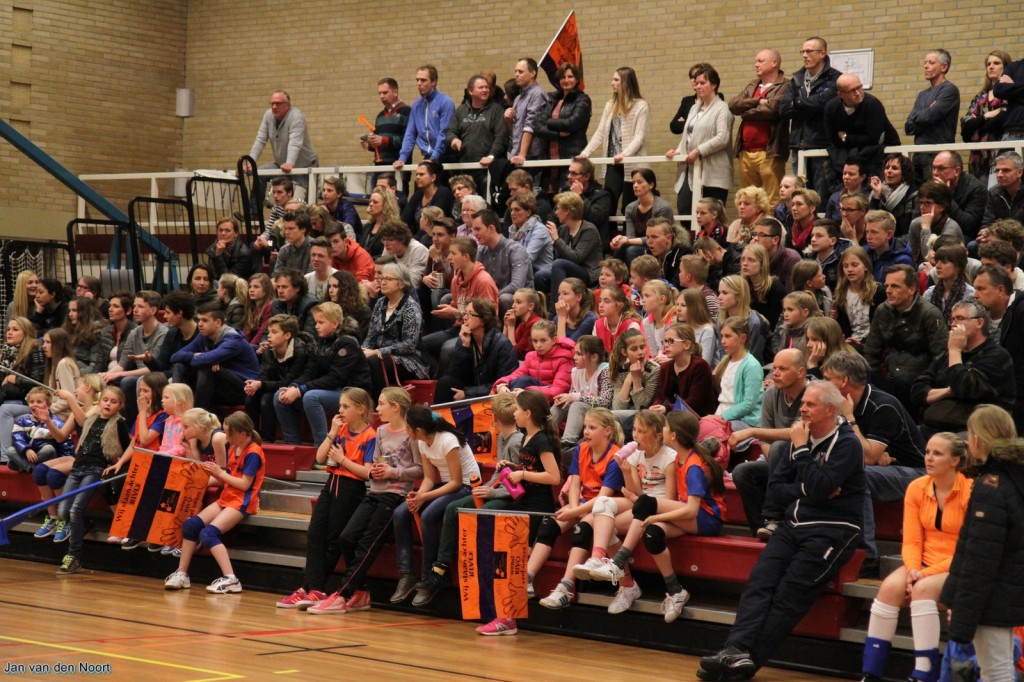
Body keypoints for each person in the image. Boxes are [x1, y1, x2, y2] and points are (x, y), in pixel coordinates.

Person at [697, 380, 864, 681]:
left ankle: (745, 663)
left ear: (829, 409)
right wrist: (809, 487)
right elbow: (776, 491)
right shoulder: (794, 440)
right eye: (802, 404)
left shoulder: (847, 443)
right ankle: (734, 650)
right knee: (759, 584)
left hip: (834, 531)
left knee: (788, 596)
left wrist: (802, 454)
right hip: (792, 525)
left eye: (810, 404)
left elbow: (822, 485)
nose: (802, 409)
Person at [415, 390, 560, 627]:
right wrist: (511, 467)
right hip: (523, 505)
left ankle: (510, 610)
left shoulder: (541, 439)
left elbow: (554, 477)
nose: (514, 414)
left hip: (536, 508)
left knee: (504, 557)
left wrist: (520, 473)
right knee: (500, 556)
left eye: (517, 410)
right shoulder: (526, 437)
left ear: (527, 413)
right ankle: (506, 615)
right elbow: (529, 470)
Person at [588, 410, 726, 623]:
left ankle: (619, 560)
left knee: (645, 504)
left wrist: (655, 515)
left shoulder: (692, 464)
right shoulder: (683, 457)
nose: (662, 430)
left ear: (673, 436)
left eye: (665, 428)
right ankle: (675, 591)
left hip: (705, 519)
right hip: (689, 516)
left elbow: (691, 510)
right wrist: (653, 517)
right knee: (651, 534)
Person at [859, 432, 971, 682]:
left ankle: (924, 672)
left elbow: (967, 549)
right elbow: (911, 540)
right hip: (922, 563)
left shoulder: (971, 492)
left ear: (954, 461)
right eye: (928, 452)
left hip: (959, 563)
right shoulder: (916, 488)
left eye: (937, 454)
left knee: (921, 590)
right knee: (888, 588)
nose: (929, 458)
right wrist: (911, 570)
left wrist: (923, 574)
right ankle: (871, 671)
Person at [299, 388, 422, 614]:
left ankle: (343, 594)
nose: (378, 409)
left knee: (366, 544)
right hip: (374, 491)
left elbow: (419, 469)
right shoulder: (382, 431)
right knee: (346, 538)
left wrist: (392, 473)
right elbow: (375, 463)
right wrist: (377, 469)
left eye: (382, 404)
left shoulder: (410, 434)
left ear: (396, 407)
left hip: (394, 494)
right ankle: (360, 590)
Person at [942, 405, 1024, 682]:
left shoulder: (992, 487)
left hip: (991, 597)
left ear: (978, 438)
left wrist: (962, 609)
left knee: (996, 672)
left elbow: (979, 559)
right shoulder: (1012, 479)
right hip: (1004, 592)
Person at [278, 387, 375, 611]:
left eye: (345, 406)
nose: (339, 410)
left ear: (360, 410)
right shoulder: (340, 431)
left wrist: (342, 459)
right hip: (331, 484)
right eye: (339, 405)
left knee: (333, 540)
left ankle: (317, 588)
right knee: (314, 534)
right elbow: (321, 457)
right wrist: (331, 432)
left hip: (351, 488)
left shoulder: (370, 436)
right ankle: (308, 587)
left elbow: (366, 472)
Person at [530, 407, 624, 610]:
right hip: (583, 505)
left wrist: (575, 513)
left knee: (582, 531)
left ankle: (565, 588)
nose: (586, 432)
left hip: (604, 509)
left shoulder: (615, 457)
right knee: (549, 525)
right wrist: (573, 508)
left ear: (607, 431)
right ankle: (526, 579)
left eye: (592, 427)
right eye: (584, 427)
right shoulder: (582, 449)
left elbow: (604, 497)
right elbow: (575, 483)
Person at [164, 412, 266, 593]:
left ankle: (231, 579)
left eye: (229, 434)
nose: (226, 438)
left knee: (208, 534)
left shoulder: (254, 453)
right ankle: (182, 574)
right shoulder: (234, 447)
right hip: (227, 497)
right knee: (190, 526)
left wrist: (219, 473)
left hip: (242, 502)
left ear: (242, 434)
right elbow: (227, 478)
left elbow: (244, 485)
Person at [389, 405, 480, 604]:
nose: (406, 430)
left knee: (428, 515)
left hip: (466, 486)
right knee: (400, 513)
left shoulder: (448, 440)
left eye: (408, 427)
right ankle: (406, 575)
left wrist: (425, 498)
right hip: (448, 485)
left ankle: (429, 577)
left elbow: (457, 481)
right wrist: (418, 496)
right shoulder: (422, 442)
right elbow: (429, 478)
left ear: (418, 430)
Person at [53, 386, 130, 576]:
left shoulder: (119, 423)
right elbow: (81, 420)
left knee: (75, 509)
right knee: (63, 511)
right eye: (105, 400)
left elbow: (129, 447)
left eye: (113, 402)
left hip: (96, 469)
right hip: (78, 467)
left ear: (120, 406)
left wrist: (118, 463)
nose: (108, 404)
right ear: (99, 402)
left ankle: (73, 555)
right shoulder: (92, 419)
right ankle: (84, 524)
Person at [911, 300, 1015, 437]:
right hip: (934, 427)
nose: (953, 324)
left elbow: (963, 388)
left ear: (979, 323)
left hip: (974, 430)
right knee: (897, 438)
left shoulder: (996, 356)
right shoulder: (948, 354)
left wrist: (955, 350)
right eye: (952, 319)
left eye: (960, 318)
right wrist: (948, 391)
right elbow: (917, 391)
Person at [275, 302, 370, 445]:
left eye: (321, 322)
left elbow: (335, 378)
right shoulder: (320, 342)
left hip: (352, 392)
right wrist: (294, 386)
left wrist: (300, 390)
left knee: (311, 397)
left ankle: (322, 447)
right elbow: (310, 372)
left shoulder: (347, 342)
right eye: (315, 322)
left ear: (335, 324)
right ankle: (292, 445)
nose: (316, 326)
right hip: (331, 389)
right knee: (279, 396)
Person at [863, 264, 949, 408]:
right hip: (890, 369)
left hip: (919, 377)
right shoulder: (883, 310)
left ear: (912, 289)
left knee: (902, 379)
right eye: (887, 285)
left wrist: (925, 383)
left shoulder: (929, 314)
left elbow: (941, 356)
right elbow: (872, 349)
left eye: (895, 286)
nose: (888, 291)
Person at [579, 66, 650, 214]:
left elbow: (639, 136)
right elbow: (600, 133)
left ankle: (628, 237)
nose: (612, 83)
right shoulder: (610, 105)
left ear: (625, 82)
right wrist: (586, 153)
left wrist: (624, 154)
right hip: (613, 163)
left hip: (633, 163)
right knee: (609, 204)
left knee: (629, 207)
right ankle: (609, 236)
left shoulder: (641, 106)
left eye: (616, 80)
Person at [780, 37, 842, 201]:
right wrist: (810, 106)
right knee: (798, 196)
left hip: (821, 144)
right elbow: (784, 109)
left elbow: (825, 104)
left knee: (818, 196)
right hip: (798, 144)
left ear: (823, 53)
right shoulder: (796, 79)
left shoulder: (835, 78)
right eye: (803, 51)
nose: (805, 55)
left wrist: (799, 103)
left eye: (809, 51)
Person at [667, 64, 733, 215]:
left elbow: (722, 138)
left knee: (711, 215)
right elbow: (688, 135)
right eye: (696, 83)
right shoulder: (693, 108)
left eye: (702, 83)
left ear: (714, 85)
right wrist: (677, 151)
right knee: (684, 210)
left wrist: (698, 151)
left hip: (713, 171)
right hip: (689, 169)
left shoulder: (722, 108)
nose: (698, 87)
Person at [170, 303, 259, 412]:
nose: (200, 324)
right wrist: (194, 356)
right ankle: (176, 408)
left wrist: (206, 359)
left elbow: (207, 359)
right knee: (180, 366)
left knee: (207, 369)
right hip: (218, 386)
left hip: (243, 389)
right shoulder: (204, 336)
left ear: (218, 323)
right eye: (198, 320)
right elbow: (175, 357)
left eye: (205, 320)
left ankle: (198, 416)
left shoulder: (233, 340)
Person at [729, 49, 791, 205]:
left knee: (773, 199)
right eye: (756, 61)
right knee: (748, 198)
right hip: (745, 152)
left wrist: (746, 112)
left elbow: (772, 110)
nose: (756, 64)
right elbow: (733, 105)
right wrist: (757, 101)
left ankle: (772, 229)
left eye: (760, 61)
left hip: (769, 151)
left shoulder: (786, 84)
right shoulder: (753, 84)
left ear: (774, 63)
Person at [362, 263, 430, 398]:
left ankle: (379, 403)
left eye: (388, 279)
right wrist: (363, 351)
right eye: (382, 279)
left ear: (401, 284)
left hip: (408, 359)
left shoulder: (411, 307)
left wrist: (378, 352)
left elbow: (409, 345)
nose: (383, 282)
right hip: (381, 355)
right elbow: (371, 336)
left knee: (374, 361)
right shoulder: (381, 303)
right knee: (355, 357)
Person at [433, 298, 518, 404]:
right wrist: (464, 347)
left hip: (494, 392)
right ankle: (438, 419)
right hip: (473, 387)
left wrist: (468, 393)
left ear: (483, 320)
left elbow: (504, 382)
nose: (464, 318)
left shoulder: (502, 344)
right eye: (465, 314)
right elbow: (455, 375)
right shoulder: (466, 337)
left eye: (469, 314)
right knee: (445, 382)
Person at [824, 73, 900, 180]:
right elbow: (832, 138)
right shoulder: (831, 108)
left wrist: (846, 137)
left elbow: (873, 138)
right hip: (848, 155)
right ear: (840, 94)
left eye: (859, 87)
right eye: (852, 91)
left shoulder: (873, 104)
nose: (858, 93)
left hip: (880, 153)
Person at [248, 90, 318, 201]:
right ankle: (254, 213)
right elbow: (260, 140)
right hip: (281, 165)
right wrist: (250, 162)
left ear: (288, 106)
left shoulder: (296, 117)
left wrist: (289, 163)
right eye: (272, 104)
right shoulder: (268, 116)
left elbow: (295, 142)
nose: (274, 107)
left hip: (304, 165)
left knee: (300, 203)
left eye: (278, 104)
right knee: (259, 174)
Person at [535, 193, 603, 303]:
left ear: (567, 211)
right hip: (567, 270)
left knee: (558, 264)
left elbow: (577, 257)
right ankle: (542, 309)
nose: (556, 213)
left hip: (587, 272)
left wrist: (557, 240)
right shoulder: (563, 229)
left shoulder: (589, 230)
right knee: (540, 275)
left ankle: (554, 309)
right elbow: (559, 256)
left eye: (558, 209)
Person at [905, 49, 960, 183]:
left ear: (944, 67)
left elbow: (929, 116)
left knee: (934, 193)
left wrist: (922, 115)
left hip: (937, 154)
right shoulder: (922, 94)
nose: (926, 66)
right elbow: (908, 127)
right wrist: (928, 111)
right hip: (918, 154)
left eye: (931, 62)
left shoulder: (949, 90)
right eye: (925, 63)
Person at [536, 62, 592, 193]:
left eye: (570, 76)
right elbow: (538, 127)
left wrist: (548, 122)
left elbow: (571, 124)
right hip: (549, 158)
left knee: (568, 198)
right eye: (562, 77)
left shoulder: (583, 99)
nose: (566, 80)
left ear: (577, 79)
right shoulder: (552, 98)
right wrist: (557, 134)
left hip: (571, 157)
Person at [494, 320, 575, 404]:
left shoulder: (564, 359)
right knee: (520, 380)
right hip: (530, 396)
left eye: (543, 340)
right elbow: (517, 374)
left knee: (524, 381)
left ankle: (505, 406)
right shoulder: (530, 356)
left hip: (549, 402)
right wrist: (502, 384)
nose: (538, 345)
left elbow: (558, 390)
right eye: (535, 341)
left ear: (554, 340)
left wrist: (527, 392)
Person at [472, 208, 534, 313]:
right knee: (450, 298)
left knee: (504, 299)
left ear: (491, 228)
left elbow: (516, 286)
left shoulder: (515, 250)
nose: (474, 234)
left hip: (519, 299)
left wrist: (490, 296)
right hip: (491, 296)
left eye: (478, 229)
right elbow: (475, 280)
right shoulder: (481, 251)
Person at [962, 52, 1012, 180]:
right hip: (977, 157)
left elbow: (1001, 123)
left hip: (1000, 154)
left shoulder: (1010, 95)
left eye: (996, 63)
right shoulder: (980, 98)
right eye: (988, 64)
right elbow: (966, 130)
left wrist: (977, 124)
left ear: (1006, 67)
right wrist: (986, 116)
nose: (991, 67)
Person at [394, 65, 456, 168]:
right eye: (417, 80)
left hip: (446, 157)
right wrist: (402, 158)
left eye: (423, 80)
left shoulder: (445, 102)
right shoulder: (416, 105)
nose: (419, 83)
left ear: (433, 82)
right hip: (428, 157)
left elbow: (444, 132)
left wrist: (434, 157)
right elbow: (410, 134)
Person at [650, 323, 715, 416]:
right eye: (664, 341)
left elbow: (694, 402)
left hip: (694, 417)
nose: (665, 345)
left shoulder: (700, 366)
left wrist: (667, 408)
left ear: (686, 345)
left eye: (671, 341)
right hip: (670, 414)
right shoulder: (665, 367)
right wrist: (656, 407)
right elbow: (660, 396)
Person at [8, 387, 74, 473]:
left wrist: (65, 463)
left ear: (49, 405)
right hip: (28, 454)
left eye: (39, 402)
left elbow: (66, 445)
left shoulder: (57, 423)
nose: (34, 404)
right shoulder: (23, 420)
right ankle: (33, 468)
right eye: (31, 402)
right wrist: (26, 450)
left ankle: (25, 466)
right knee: (10, 450)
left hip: (46, 456)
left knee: (48, 449)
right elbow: (17, 438)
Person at [506, 57, 550, 169]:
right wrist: (508, 119)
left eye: (520, 72)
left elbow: (530, 126)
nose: (516, 75)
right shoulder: (518, 98)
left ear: (532, 73)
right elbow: (514, 130)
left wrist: (522, 154)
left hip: (531, 156)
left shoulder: (537, 94)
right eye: (515, 71)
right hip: (516, 153)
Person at [907, 180, 964, 264]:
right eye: (921, 202)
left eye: (928, 203)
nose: (922, 207)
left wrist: (926, 229)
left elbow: (931, 258)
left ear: (942, 207)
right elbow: (909, 255)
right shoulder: (915, 224)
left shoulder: (951, 228)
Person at [363, 78, 411, 170]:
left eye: (385, 93)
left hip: (398, 166)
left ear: (395, 92)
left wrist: (384, 140)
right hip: (379, 166)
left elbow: (408, 140)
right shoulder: (380, 116)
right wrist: (369, 145)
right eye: (379, 93)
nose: (381, 96)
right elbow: (379, 144)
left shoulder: (407, 112)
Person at [400, 160, 454, 237]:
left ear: (433, 177)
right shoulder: (418, 194)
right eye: (417, 174)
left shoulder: (443, 193)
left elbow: (432, 223)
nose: (418, 177)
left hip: (435, 237)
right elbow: (404, 220)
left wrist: (412, 242)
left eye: (421, 174)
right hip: (416, 239)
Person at [63, 296, 111, 375]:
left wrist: (73, 373)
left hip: (87, 376)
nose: (70, 314)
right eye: (69, 310)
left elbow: (95, 368)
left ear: (84, 312)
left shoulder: (96, 332)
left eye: (74, 310)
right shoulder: (69, 330)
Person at [740, 242, 785, 326]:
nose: (745, 263)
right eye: (743, 259)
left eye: (751, 260)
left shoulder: (775, 288)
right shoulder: (742, 285)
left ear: (762, 264)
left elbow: (773, 324)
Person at [507, 193, 553, 273]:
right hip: (521, 270)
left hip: (539, 273)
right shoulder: (513, 230)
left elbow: (527, 258)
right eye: (511, 210)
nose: (512, 213)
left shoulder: (540, 230)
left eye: (517, 210)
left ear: (528, 213)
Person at [864, 210, 913, 283]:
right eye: (867, 232)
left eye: (874, 232)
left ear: (889, 234)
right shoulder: (864, 253)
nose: (868, 237)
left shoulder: (902, 261)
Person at [982, 151, 1024, 227]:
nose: (999, 175)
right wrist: (986, 232)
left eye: (1006, 170)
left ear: (1019, 172)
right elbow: (987, 223)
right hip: (1000, 237)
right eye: (997, 170)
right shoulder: (993, 192)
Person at [359, 188, 402, 261]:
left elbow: (387, 256)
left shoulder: (392, 229)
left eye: (375, 202)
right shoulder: (367, 226)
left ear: (386, 206)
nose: (370, 204)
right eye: (370, 201)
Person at [206, 216, 254, 280]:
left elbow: (228, 280)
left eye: (227, 230)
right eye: (220, 230)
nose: (223, 233)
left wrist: (218, 255)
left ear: (236, 233)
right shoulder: (213, 248)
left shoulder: (244, 254)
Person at [554, 277, 598, 341]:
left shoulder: (590, 319)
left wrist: (562, 317)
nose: (560, 298)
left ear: (579, 297)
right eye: (559, 294)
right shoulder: (557, 319)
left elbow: (567, 347)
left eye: (565, 293)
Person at [303, 237, 336, 301]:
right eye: (313, 255)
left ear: (329, 258)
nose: (316, 259)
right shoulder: (306, 280)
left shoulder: (338, 278)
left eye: (320, 256)